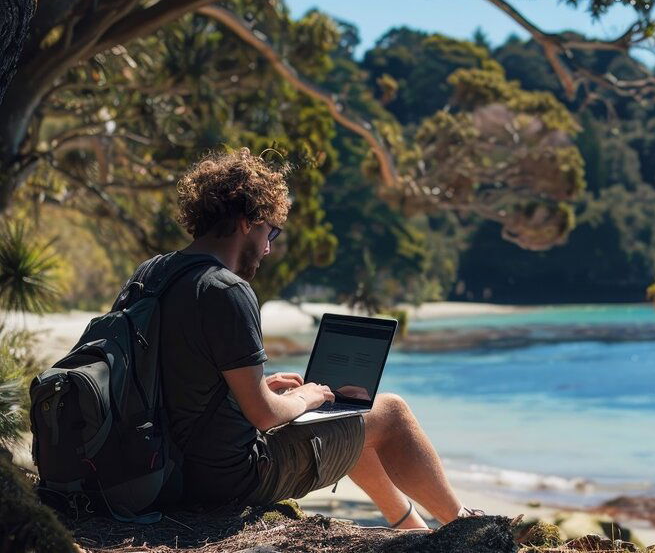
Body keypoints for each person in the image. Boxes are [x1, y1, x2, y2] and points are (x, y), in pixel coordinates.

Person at [138, 148, 478, 529]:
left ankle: (412, 529)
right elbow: (264, 416)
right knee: (390, 412)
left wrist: (256, 386)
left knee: (347, 412)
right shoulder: (226, 290)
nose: (269, 247)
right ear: (248, 221)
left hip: (161, 466)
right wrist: (305, 397)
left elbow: (174, 379)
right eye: (271, 231)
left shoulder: (153, 273)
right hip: (227, 478)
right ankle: (465, 527)